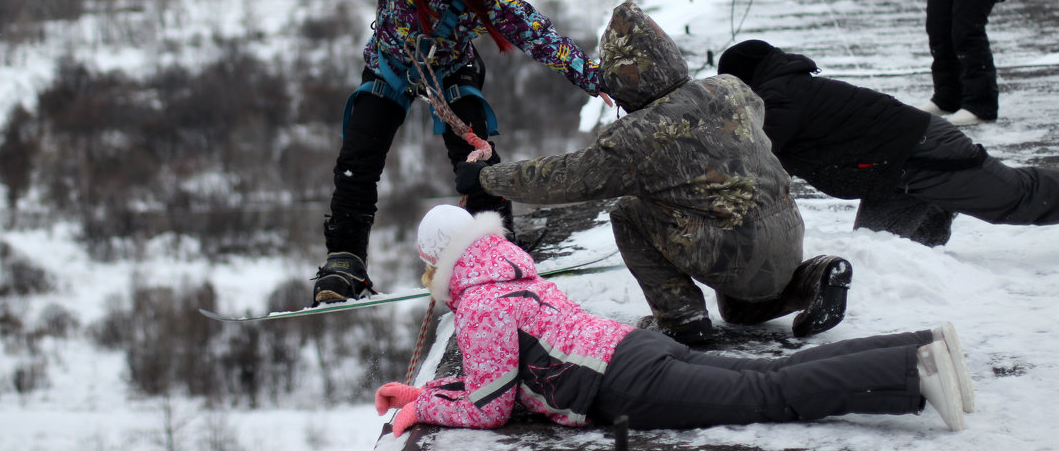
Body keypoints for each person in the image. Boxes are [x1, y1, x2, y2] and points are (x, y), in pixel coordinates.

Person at [262, 0, 611, 305]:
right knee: (358, 159)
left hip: (449, 71)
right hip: (391, 66)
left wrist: (589, 75)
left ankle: (499, 250)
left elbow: (536, 33)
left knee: (477, 159)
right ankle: (344, 260)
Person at [374, 204, 973, 437]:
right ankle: (921, 347)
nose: (429, 281)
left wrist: (423, 409)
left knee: (768, 393)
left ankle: (914, 375)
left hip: (626, 384)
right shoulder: (508, 275)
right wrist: (427, 390)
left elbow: (490, 406)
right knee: (769, 376)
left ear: (440, 260)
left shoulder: (478, 305)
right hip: (632, 353)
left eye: (428, 268)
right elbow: (494, 374)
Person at [456, 0, 851, 344]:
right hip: (786, 234)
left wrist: (488, 178)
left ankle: (682, 318)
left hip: (731, 250)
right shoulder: (731, 88)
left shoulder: (639, 135)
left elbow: (570, 177)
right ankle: (815, 277)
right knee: (737, 312)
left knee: (629, 211)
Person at [717, 39, 1059, 247]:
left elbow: (753, 156)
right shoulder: (783, 91)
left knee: (1018, 198)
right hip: (892, 176)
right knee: (880, 249)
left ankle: (945, 198)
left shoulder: (780, 98)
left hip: (926, 152)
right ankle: (937, 206)